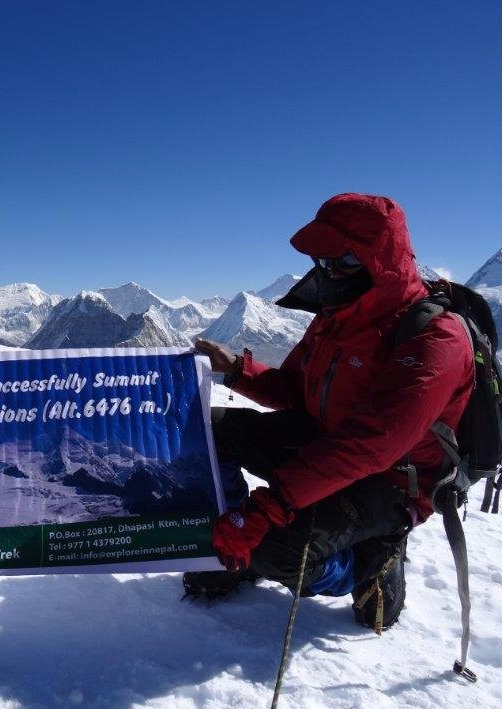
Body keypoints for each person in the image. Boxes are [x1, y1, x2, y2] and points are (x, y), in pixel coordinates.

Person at [187, 193, 474, 631]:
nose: (326, 271)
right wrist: (238, 372)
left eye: (340, 259)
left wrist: (268, 508)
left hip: (392, 481)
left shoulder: (434, 338)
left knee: (274, 549)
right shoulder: (338, 316)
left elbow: (370, 445)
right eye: (321, 260)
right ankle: (236, 549)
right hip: (327, 443)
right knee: (210, 430)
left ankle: (368, 561)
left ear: (378, 259)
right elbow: (297, 390)